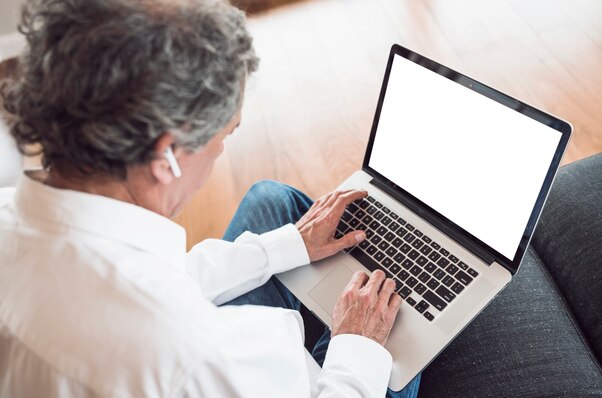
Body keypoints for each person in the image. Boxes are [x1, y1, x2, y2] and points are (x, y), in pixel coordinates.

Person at [0, 0, 421, 396]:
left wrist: (290, 242)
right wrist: (357, 345)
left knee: (272, 202)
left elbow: (154, 276)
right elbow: (169, 325)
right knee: (407, 327)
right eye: (225, 135)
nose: (220, 152)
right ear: (166, 155)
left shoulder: (10, 216)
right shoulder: (190, 353)